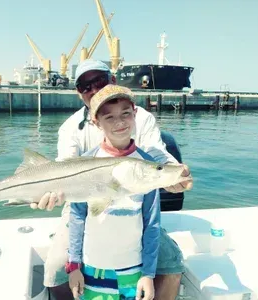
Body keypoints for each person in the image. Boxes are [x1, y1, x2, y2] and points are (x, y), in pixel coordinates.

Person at [35, 59, 193, 300]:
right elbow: (63, 172)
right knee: (56, 267)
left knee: (171, 261)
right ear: (80, 94)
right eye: (85, 86)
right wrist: (48, 194)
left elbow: (155, 153)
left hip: (133, 205)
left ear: (113, 80)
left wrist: (172, 171)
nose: (94, 88)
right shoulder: (69, 128)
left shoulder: (140, 117)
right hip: (83, 204)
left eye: (99, 80)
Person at [67, 84, 160, 300]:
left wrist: (148, 274)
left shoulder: (149, 165)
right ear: (96, 122)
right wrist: (74, 265)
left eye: (126, 114)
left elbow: (152, 223)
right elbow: (77, 215)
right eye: (109, 117)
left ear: (135, 114)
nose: (119, 123)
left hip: (133, 267)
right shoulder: (85, 163)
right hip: (93, 265)